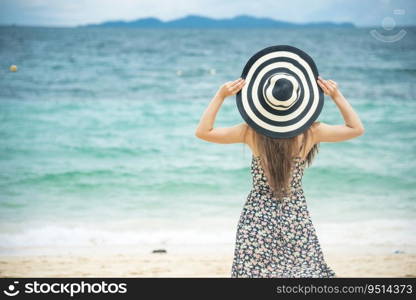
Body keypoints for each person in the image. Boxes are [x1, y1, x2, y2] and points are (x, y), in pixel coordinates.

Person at [195, 46, 364, 277]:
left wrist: (220, 95)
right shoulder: (310, 133)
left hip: (257, 215)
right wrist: (336, 96)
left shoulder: (251, 133)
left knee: (254, 274)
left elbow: (204, 132)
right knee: (305, 272)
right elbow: (356, 128)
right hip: (295, 214)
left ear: (263, 99)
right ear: (299, 101)